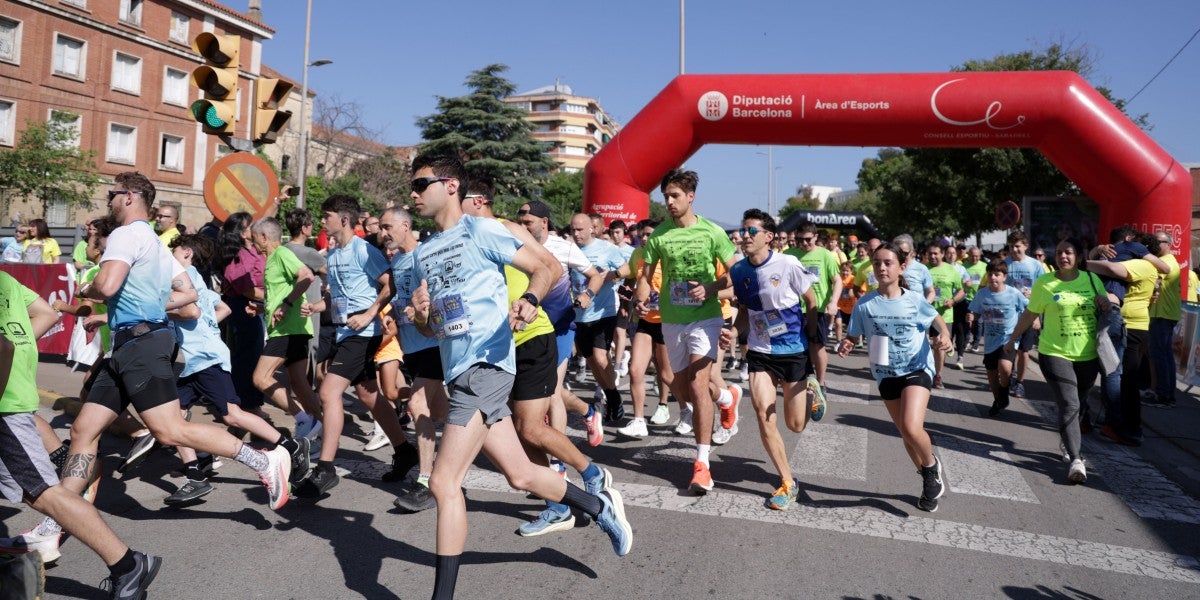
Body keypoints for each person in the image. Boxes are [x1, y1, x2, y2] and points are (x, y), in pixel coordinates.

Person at [404, 155, 631, 599]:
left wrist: (529, 298)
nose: (413, 193)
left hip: (487, 366)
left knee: (443, 483)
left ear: (450, 186)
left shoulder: (483, 230)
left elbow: (547, 268)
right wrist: (423, 316)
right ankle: (598, 504)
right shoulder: (423, 253)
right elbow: (432, 330)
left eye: (420, 183)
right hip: (458, 371)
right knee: (522, 475)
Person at [63, 172, 292, 524]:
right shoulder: (154, 243)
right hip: (127, 346)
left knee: (170, 429)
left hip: (141, 344)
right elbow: (187, 294)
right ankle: (56, 519)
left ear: (129, 196)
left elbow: (107, 286)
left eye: (112, 193)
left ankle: (264, 460)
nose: (108, 199)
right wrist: (153, 304)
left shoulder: (125, 235)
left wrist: (86, 289)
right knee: (83, 429)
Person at [461, 182, 618, 537]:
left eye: (460, 202)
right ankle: (560, 503)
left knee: (531, 427)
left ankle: (590, 475)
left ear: (478, 200)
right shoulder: (463, 238)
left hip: (534, 335)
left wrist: (531, 300)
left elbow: (552, 268)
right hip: (499, 344)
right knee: (523, 429)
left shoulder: (507, 230)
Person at [0, 269, 163, 597]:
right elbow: (46, 313)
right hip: (12, 392)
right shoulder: (5, 279)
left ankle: (127, 564)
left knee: (44, 493)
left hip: (5, 403)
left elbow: (4, 347)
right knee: (40, 491)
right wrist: (20, 350)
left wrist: (13, 354)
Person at [163, 233, 311, 505]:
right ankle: (196, 473)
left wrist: (164, 314)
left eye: (174, 249)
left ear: (187, 253)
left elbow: (191, 311)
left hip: (204, 359)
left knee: (232, 415)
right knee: (173, 419)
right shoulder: (197, 279)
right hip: (195, 359)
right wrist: (207, 327)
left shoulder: (182, 276)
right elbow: (225, 310)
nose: (168, 255)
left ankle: (291, 446)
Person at [299, 194, 419, 497]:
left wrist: (369, 314)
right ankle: (405, 451)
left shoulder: (363, 250)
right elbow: (338, 295)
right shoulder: (333, 252)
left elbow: (389, 283)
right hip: (344, 331)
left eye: (326, 216)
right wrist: (318, 306)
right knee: (368, 395)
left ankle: (325, 468)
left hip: (363, 333)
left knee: (328, 391)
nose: (322, 221)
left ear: (343, 219)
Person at [634, 168, 739, 495]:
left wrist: (709, 287)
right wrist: (639, 300)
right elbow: (644, 276)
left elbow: (736, 274)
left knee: (696, 384)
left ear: (691, 196)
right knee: (676, 383)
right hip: (671, 318)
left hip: (705, 317)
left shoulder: (712, 232)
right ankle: (727, 397)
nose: (669, 201)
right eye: (666, 196)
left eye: (675, 196)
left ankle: (702, 464)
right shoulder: (661, 235)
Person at [723, 209, 826, 510]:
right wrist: (733, 331)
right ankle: (787, 482)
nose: (745, 237)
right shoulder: (740, 271)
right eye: (743, 231)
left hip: (792, 351)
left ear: (769, 237)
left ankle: (811, 388)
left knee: (795, 425)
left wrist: (809, 336)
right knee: (763, 415)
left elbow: (811, 301)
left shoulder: (788, 263)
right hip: (759, 352)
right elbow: (744, 311)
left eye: (751, 231)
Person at [837, 242, 951, 512]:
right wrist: (848, 343)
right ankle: (927, 479)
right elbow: (854, 334)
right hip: (885, 373)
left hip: (916, 368)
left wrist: (944, 336)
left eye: (888, 263)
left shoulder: (913, 300)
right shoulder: (864, 305)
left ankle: (932, 467)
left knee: (912, 427)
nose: (881, 267)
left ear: (901, 268)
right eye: (877, 263)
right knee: (905, 433)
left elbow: (937, 321)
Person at [1006, 238, 1107, 483]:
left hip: (1088, 354)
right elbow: (1031, 312)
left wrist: (1106, 303)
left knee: (1078, 403)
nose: (1063, 256)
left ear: (1078, 256)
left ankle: (1068, 438)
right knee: (1070, 404)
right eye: (1059, 252)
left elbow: (1105, 306)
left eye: (1068, 252)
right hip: (1054, 352)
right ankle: (1076, 459)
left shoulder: (1092, 280)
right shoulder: (1045, 283)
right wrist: (1013, 340)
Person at [377, 206, 451, 513]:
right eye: (381, 228)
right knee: (447, 412)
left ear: (405, 226)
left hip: (433, 342)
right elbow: (401, 297)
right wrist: (393, 314)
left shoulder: (424, 256)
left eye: (387, 227)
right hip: (412, 347)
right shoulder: (398, 262)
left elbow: (443, 294)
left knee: (417, 405)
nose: (382, 234)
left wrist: (423, 312)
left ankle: (427, 479)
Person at [246, 217, 322, 435]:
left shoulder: (281, 254)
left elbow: (306, 276)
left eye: (254, 239)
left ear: (264, 236)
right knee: (299, 384)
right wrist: (263, 309)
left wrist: (287, 304)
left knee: (260, 378)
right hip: (293, 327)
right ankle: (319, 428)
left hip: (288, 329)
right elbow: (281, 292)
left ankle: (303, 419)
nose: (253, 244)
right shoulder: (272, 258)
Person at [569, 213, 632, 424]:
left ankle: (613, 396)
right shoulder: (569, 249)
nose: (576, 234)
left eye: (580, 230)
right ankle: (610, 391)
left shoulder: (606, 249)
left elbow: (627, 268)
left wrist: (612, 275)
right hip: (578, 314)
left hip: (604, 311)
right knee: (590, 359)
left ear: (592, 229)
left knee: (600, 357)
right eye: (573, 230)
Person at [617, 219, 677, 437]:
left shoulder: (667, 256)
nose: (643, 238)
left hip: (667, 320)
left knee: (666, 373)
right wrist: (629, 299)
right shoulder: (637, 255)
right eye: (641, 234)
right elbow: (632, 279)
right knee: (635, 369)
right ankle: (639, 420)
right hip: (644, 320)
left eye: (648, 234)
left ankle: (674, 407)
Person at [216, 212, 267, 414]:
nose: (255, 228)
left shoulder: (253, 250)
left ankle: (249, 402)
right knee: (247, 358)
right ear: (243, 234)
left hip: (255, 306)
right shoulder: (237, 257)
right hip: (243, 307)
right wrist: (273, 298)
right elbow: (245, 288)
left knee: (253, 356)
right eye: (250, 226)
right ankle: (245, 404)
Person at [785, 224, 843, 390]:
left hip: (817, 308)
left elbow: (837, 280)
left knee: (817, 346)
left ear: (816, 237)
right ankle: (801, 379)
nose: (804, 243)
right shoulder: (789, 255)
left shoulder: (824, 255)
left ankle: (821, 383)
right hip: (794, 308)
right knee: (796, 345)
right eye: (800, 240)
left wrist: (833, 302)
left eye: (808, 239)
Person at [968, 260, 1028, 417]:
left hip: (1009, 338)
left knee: (1005, 366)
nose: (993, 277)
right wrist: (971, 316)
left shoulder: (1014, 293)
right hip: (990, 341)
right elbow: (975, 310)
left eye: (997, 274)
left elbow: (1028, 307)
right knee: (992, 373)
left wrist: (1034, 320)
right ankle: (998, 399)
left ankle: (1004, 388)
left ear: (1004, 277)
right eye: (990, 274)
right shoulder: (982, 294)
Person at [1004, 231, 1046, 398]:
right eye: (1011, 246)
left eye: (1017, 246)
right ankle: (1008, 379)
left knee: (1024, 350)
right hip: (1009, 315)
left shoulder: (1035, 265)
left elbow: (1044, 290)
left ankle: (1020, 383)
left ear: (1026, 246)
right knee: (1008, 349)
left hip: (1029, 313)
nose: (1014, 250)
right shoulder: (1005, 264)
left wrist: (1037, 315)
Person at [925, 244, 964, 388]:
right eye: (930, 253)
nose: (933, 256)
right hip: (924, 314)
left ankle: (938, 375)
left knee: (939, 346)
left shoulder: (951, 270)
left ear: (942, 254)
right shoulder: (923, 269)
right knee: (921, 344)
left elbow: (961, 290)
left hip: (944, 315)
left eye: (935, 253)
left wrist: (953, 300)